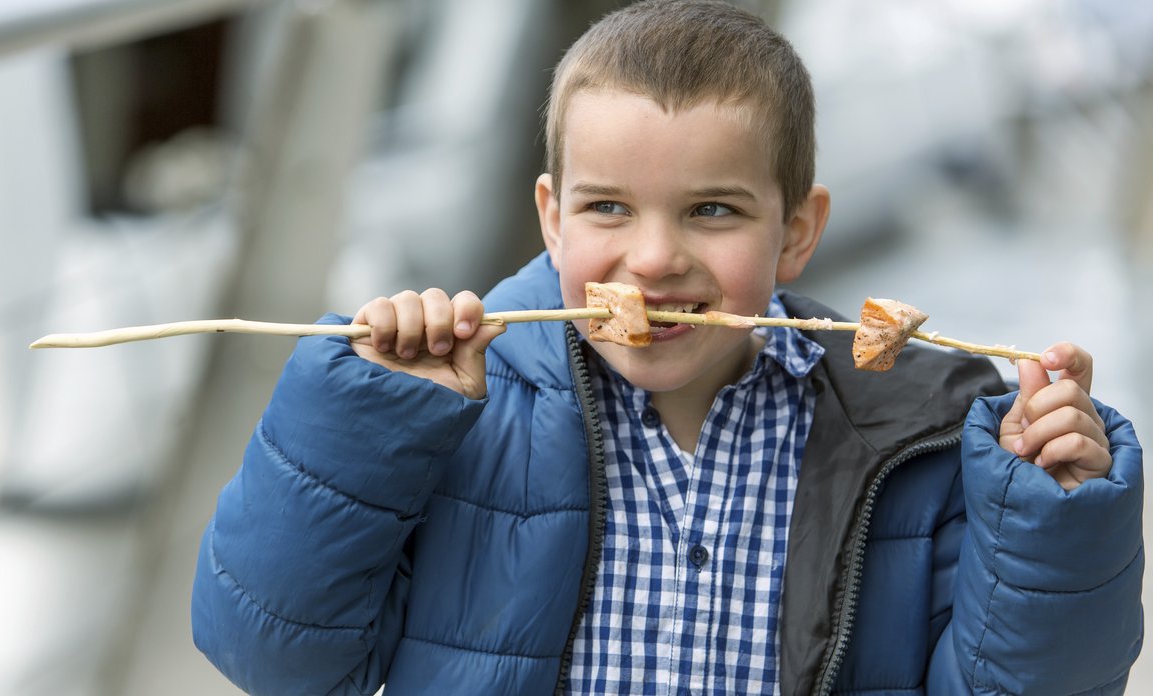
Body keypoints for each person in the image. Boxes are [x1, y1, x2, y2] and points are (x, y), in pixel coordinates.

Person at [191, 1, 1144, 694]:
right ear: (551, 219)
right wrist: (362, 425)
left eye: (713, 211)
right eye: (608, 207)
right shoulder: (447, 421)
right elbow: (276, 659)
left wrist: (1049, 518)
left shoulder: (924, 433)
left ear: (797, 232)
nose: (654, 259)